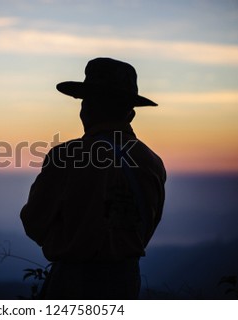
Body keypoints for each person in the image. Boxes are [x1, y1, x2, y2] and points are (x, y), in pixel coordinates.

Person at [20, 57, 166, 299]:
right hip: (126, 282)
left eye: (85, 101)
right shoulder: (151, 161)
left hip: (74, 281)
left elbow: (34, 222)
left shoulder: (68, 155)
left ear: (89, 108)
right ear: (130, 113)